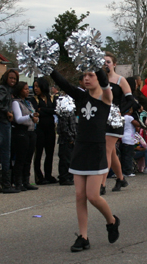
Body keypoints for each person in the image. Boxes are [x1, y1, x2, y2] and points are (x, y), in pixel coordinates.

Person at [50, 67, 120, 252]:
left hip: (97, 150)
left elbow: (105, 82)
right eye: (85, 76)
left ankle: (111, 221)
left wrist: (95, 62)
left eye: (92, 75)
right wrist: (50, 69)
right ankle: (83, 237)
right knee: (80, 195)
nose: (87, 79)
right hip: (80, 150)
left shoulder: (106, 97)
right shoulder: (81, 97)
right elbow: (63, 83)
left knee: (93, 196)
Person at [103, 53, 134, 193]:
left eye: (108, 62)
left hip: (115, 119)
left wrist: (120, 111)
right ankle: (121, 179)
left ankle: (101, 184)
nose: (106, 64)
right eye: (103, 62)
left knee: (107, 150)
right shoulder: (99, 80)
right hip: (102, 118)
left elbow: (131, 100)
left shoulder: (120, 80)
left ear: (114, 64)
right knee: (112, 152)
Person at [0, 69, 19, 194]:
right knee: (5, 153)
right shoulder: (3, 89)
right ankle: (6, 184)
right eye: (11, 78)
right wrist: (6, 111)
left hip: (0, 122)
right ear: (6, 78)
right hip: (2, 123)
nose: (13, 80)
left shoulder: (8, 90)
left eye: (15, 79)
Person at [10, 81, 38, 191]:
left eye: (28, 89)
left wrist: (35, 118)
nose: (27, 91)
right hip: (22, 132)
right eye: (25, 89)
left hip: (31, 131)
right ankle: (18, 181)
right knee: (20, 158)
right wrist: (30, 116)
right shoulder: (16, 103)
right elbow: (18, 119)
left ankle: (26, 181)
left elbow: (33, 114)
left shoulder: (28, 102)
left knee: (28, 158)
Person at [31, 77, 57, 185]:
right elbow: (36, 112)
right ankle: (38, 176)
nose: (36, 88)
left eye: (38, 86)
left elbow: (55, 110)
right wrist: (44, 111)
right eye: (34, 86)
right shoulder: (33, 99)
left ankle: (48, 174)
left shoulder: (51, 98)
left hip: (50, 128)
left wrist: (43, 110)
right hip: (39, 129)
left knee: (49, 152)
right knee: (39, 153)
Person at [56, 95, 77, 187]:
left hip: (71, 138)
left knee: (70, 159)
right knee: (65, 159)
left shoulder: (72, 113)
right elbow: (64, 128)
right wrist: (70, 138)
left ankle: (69, 176)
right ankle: (64, 177)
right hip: (65, 140)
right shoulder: (64, 115)